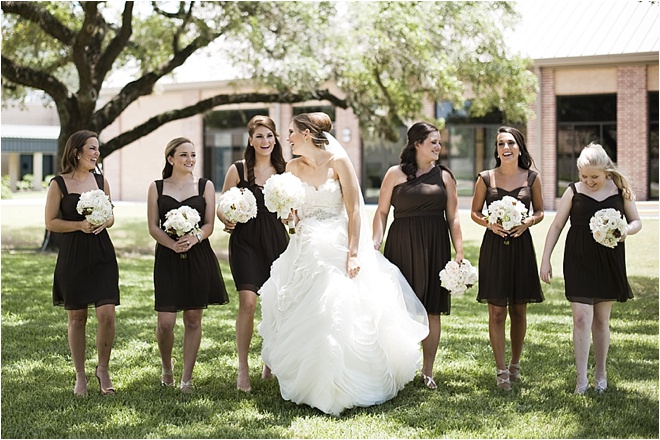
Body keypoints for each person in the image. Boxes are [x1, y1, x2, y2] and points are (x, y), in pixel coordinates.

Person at [257, 113, 429, 416]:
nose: (288, 138)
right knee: (302, 306)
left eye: (292, 133)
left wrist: (352, 253)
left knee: (336, 306)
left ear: (307, 134)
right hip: (305, 244)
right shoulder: (293, 168)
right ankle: (308, 381)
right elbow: (296, 216)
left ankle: (339, 382)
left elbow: (353, 212)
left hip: (336, 243)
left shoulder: (338, 162)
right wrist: (289, 216)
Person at [540, 143, 642, 395]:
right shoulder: (573, 191)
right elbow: (556, 226)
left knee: (601, 319)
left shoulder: (619, 190)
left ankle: (601, 375)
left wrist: (626, 230)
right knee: (581, 318)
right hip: (578, 260)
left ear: (606, 171)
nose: (588, 181)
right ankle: (581, 380)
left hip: (609, 260)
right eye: (583, 176)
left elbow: (636, 221)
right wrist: (545, 259)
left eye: (594, 177)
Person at [372, 122, 464, 390]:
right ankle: (396, 367)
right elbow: (381, 212)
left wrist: (458, 250)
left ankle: (428, 370)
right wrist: (376, 239)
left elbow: (454, 216)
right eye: (433, 142)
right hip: (401, 244)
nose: (439, 146)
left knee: (432, 309)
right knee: (397, 307)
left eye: (439, 142)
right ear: (417, 144)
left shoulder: (445, 176)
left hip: (435, 244)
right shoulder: (395, 174)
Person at [147, 137, 229, 392]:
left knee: (193, 319)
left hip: (198, 255)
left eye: (193, 155)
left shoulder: (205, 186)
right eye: (183, 155)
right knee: (166, 323)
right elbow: (152, 226)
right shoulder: (157, 187)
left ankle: (186, 379)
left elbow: (209, 225)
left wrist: (194, 238)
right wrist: (171, 245)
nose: (190, 159)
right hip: (168, 257)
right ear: (170, 158)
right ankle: (166, 368)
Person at [216, 115, 289, 392]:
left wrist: (289, 216)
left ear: (275, 139)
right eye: (259, 136)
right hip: (245, 242)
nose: (265, 141)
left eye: (269, 136)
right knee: (248, 302)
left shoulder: (284, 171)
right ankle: (243, 368)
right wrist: (226, 217)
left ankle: (269, 361)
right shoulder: (238, 170)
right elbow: (223, 203)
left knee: (274, 304)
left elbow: (293, 207)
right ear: (250, 140)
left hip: (276, 242)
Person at [45, 130, 120, 396]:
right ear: (77, 152)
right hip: (73, 254)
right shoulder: (59, 184)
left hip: (101, 252)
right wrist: (79, 225)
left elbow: (111, 216)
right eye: (92, 148)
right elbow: (50, 222)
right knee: (77, 317)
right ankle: (80, 376)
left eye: (97, 149)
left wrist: (103, 221)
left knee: (107, 314)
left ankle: (103, 369)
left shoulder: (101, 181)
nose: (96, 153)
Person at [470, 126, 544, 391]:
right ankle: (501, 370)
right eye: (501, 144)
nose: (506, 148)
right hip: (494, 247)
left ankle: (515, 364)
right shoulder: (486, 178)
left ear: (519, 147)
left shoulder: (532, 178)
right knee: (497, 311)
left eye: (511, 143)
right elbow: (475, 212)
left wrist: (528, 222)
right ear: (497, 149)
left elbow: (541, 211)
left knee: (519, 309)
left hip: (521, 246)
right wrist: (490, 223)